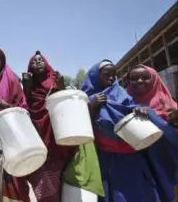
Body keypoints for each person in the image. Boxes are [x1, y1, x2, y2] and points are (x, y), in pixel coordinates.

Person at [82, 59, 166, 202]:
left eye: (113, 75)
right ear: (95, 76)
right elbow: (81, 123)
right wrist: (91, 106)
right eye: (106, 75)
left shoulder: (121, 93)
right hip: (105, 156)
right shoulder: (85, 98)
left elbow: (130, 108)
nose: (111, 78)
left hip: (130, 154)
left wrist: (137, 110)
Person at [21, 51, 78, 202]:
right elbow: (24, 107)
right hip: (36, 139)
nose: (38, 62)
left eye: (41, 60)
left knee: (56, 181)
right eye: (34, 61)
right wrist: (26, 87)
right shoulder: (29, 85)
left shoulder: (55, 81)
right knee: (40, 180)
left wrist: (61, 86)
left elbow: (66, 106)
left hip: (55, 140)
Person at [0, 46, 29, 201]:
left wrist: (4, 105)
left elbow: (24, 110)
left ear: (2, 61)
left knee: (13, 181)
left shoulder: (12, 80)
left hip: (10, 140)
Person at [127, 64, 178, 202]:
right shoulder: (125, 106)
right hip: (144, 169)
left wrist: (152, 116)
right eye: (134, 78)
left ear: (155, 79)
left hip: (171, 168)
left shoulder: (171, 107)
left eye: (145, 77)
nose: (139, 81)